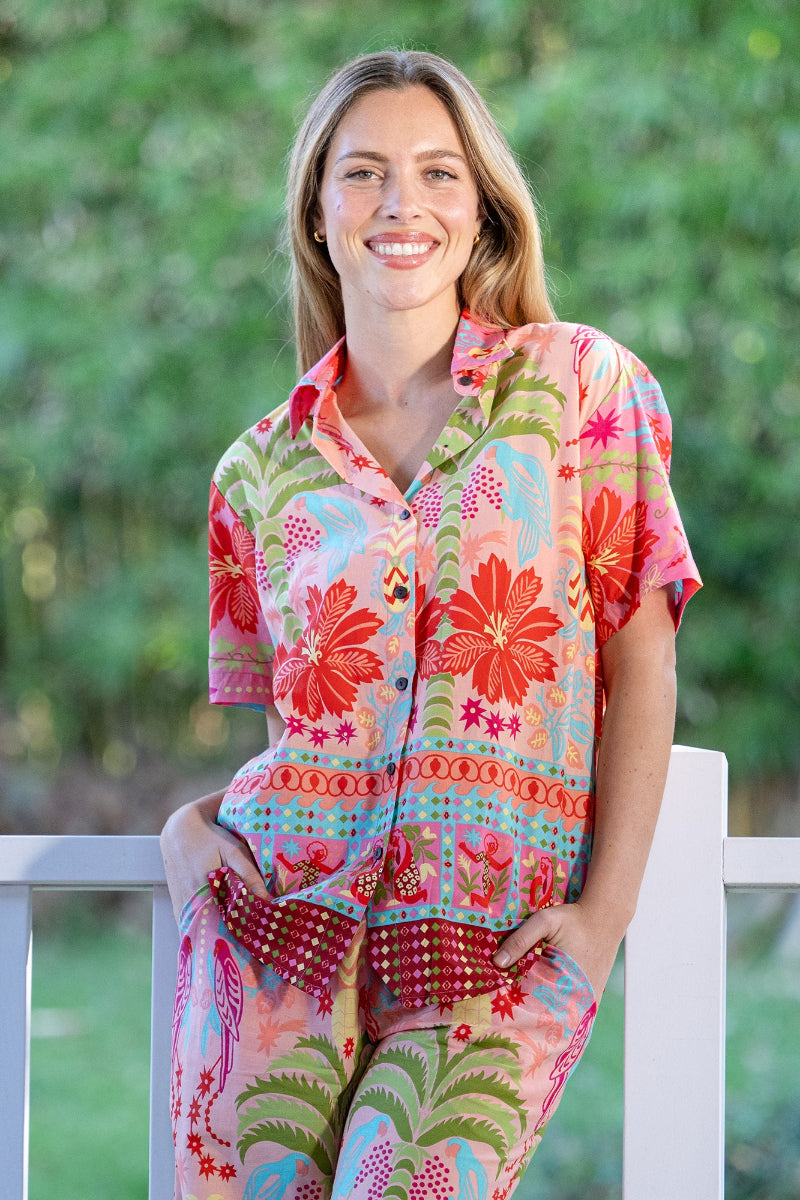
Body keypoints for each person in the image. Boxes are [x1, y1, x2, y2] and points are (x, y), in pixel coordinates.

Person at [160, 48, 702, 1200]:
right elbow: (296, 743)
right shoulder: (255, 469)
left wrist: (600, 920)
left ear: (481, 209)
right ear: (316, 210)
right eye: (362, 173)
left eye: (437, 173)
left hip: (494, 943)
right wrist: (185, 830)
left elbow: (640, 654)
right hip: (280, 932)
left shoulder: (581, 392)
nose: (400, 205)